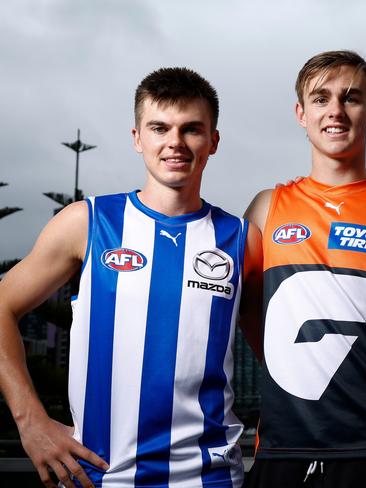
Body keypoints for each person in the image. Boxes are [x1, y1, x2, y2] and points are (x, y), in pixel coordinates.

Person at [0, 67, 262, 488]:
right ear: (138, 137)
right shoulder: (87, 223)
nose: (175, 142)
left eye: (191, 129)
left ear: (213, 141)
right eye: (160, 128)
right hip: (99, 476)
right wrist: (30, 421)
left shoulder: (242, 239)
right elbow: (1, 307)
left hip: (210, 477)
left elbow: (279, 349)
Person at [242, 50, 366, 488]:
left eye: (351, 98)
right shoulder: (265, 210)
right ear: (301, 113)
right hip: (284, 448)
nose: (335, 110)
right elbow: (245, 314)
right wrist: (312, 360)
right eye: (320, 98)